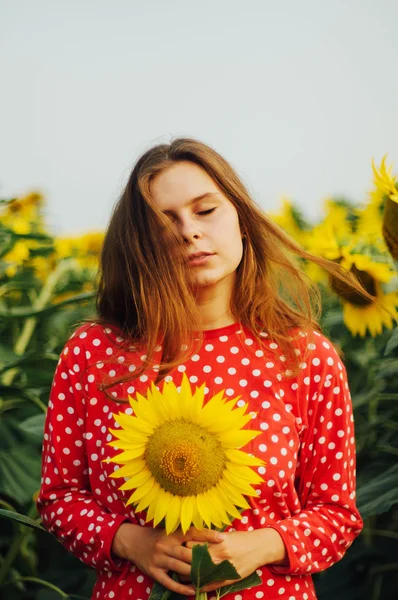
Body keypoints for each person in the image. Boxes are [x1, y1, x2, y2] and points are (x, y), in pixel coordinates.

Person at [37, 138, 365, 600]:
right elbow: (59, 498)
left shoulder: (305, 357)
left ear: (242, 222)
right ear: (140, 245)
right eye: (164, 221)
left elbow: (336, 515)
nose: (188, 231)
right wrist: (134, 542)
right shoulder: (94, 353)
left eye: (205, 210)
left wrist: (260, 545)